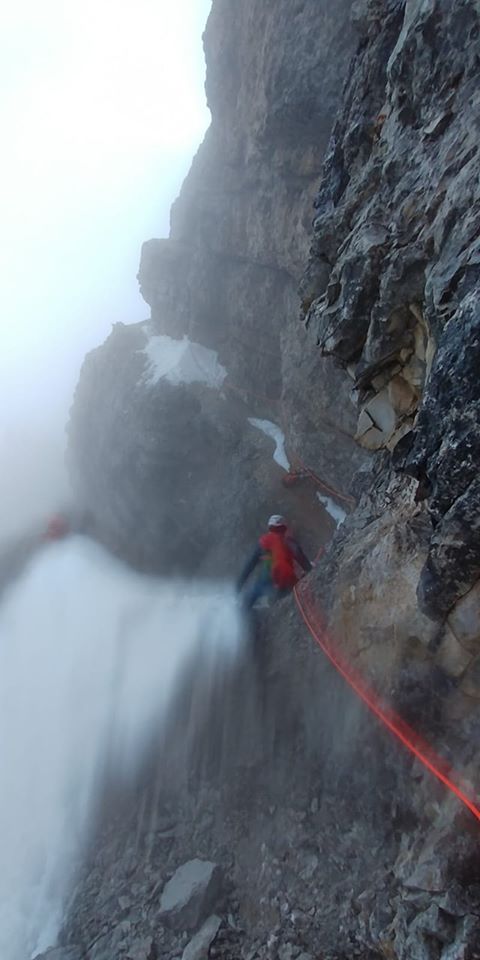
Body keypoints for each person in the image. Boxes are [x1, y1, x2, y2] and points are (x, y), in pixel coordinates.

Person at [237, 515, 312, 610]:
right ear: (284, 528)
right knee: (277, 596)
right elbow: (301, 558)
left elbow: (249, 565)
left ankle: (248, 619)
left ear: (270, 527)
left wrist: (239, 585)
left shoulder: (263, 542)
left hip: (266, 582)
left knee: (248, 601)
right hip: (288, 583)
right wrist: (310, 570)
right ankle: (275, 601)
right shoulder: (289, 542)